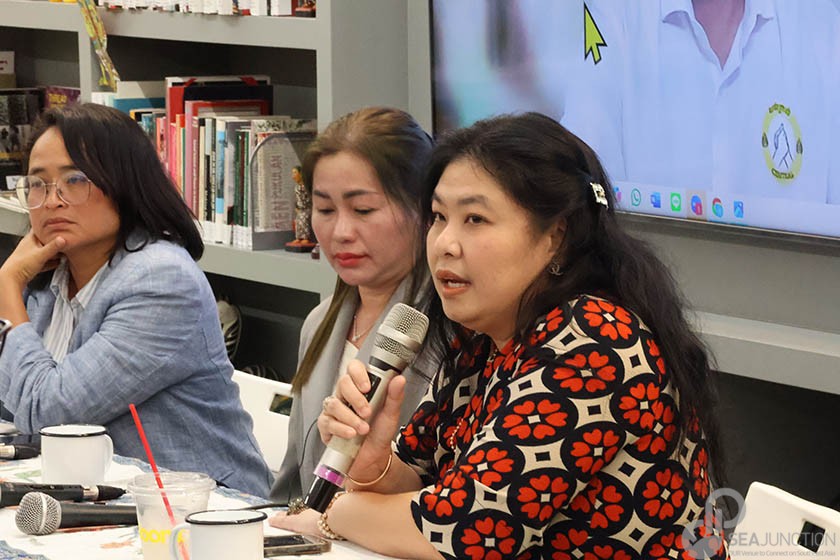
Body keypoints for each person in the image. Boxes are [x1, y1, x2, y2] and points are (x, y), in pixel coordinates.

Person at [271, 113, 729, 559]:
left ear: (555, 236)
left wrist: (333, 514)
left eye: (475, 219)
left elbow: (466, 531)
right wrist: (375, 464)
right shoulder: (482, 339)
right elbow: (421, 483)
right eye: (438, 217)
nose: (445, 243)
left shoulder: (595, 341)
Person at [0, 103, 272, 497]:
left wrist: (7, 284)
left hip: (200, 510)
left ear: (124, 184)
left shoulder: (161, 280)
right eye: (38, 184)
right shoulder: (45, 275)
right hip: (89, 499)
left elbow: (51, 415)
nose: (52, 200)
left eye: (74, 180)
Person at [270, 107, 436, 502]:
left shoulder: (450, 331)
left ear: (423, 210)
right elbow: (293, 483)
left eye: (363, 210)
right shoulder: (320, 322)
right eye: (325, 210)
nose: (341, 232)